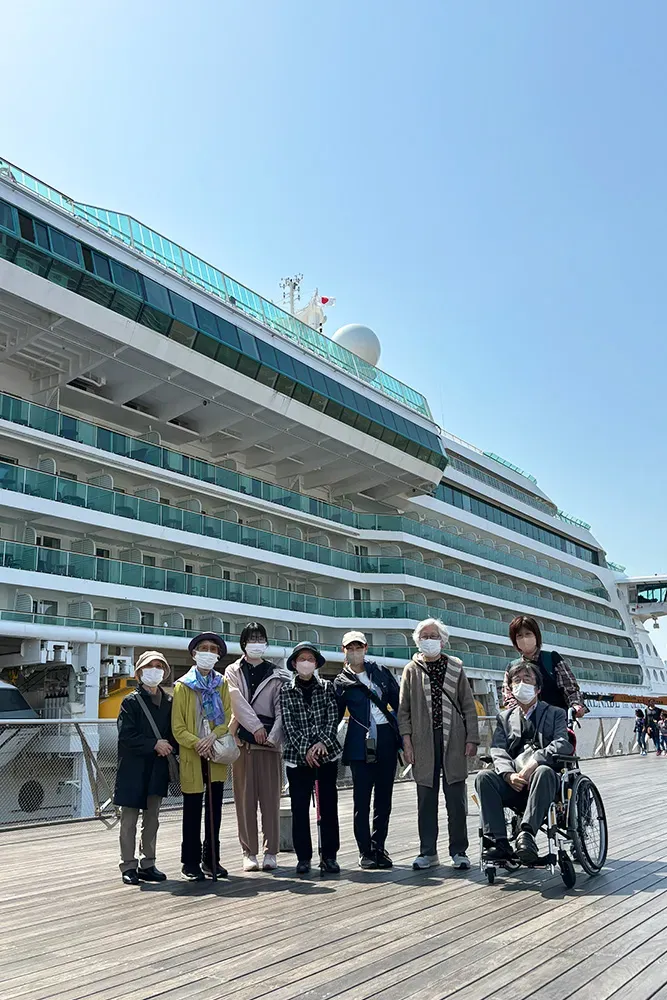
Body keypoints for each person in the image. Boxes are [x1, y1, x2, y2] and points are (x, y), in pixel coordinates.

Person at [398, 618, 479, 872]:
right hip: (423, 740)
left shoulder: (455, 667)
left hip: (453, 738)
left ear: (442, 640)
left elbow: (468, 705)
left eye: (434, 636)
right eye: (424, 636)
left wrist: (472, 738)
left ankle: (459, 851)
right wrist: (407, 741)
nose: (429, 640)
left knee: (456, 798)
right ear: (417, 641)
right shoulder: (411, 669)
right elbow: (403, 710)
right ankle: (428, 852)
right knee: (425, 799)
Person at [476, 661, 573, 863]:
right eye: (517, 681)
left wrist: (536, 761)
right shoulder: (504, 718)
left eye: (527, 680)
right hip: (515, 782)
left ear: (538, 689)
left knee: (543, 771)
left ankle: (526, 835)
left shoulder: (556, 713)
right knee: (484, 777)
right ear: (511, 689)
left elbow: (562, 743)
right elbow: (498, 749)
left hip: (544, 782)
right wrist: (508, 774)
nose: (521, 684)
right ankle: (498, 842)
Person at [334, 630, 401, 870]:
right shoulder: (341, 682)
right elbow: (335, 716)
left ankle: (379, 846)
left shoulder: (381, 672)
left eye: (358, 647)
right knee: (361, 799)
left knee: (384, 797)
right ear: (344, 651)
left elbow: (399, 702)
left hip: (386, 738)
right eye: (350, 648)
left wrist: (406, 737)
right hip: (358, 740)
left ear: (366, 648)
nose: (355, 652)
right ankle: (365, 850)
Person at [226, 622, 289, 872]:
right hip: (242, 743)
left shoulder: (277, 673)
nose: (256, 643)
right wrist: (256, 728)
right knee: (244, 801)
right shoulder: (233, 670)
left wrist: (273, 737)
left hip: (269, 745)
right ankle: (248, 851)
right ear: (243, 643)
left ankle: (271, 851)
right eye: (252, 639)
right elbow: (236, 700)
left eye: (260, 639)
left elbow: (282, 709)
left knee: (271, 801)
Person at [172, 632, 231, 881]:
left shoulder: (222, 683)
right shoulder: (182, 685)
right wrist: (198, 743)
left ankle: (212, 858)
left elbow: (227, 717)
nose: (209, 652)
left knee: (215, 809)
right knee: (192, 809)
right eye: (204, 648)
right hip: (193, 753)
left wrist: (212, 737)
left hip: (215, 752)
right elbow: (178, 727)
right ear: (194, 654)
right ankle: (190, 861)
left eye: (213, 649)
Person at [114, 650, 174, 884]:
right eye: (150, 666)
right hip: (133, 769)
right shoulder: (130, 701)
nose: (155, 670)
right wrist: (154, 744)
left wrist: (168, 746)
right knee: (129, 820)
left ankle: (148, 863)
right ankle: (128, 865)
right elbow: (125, 735)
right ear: (139, 672)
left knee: (152, 819)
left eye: (159, 666)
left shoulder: (169, 702)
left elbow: (173, 732)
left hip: (157, 768)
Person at [281, 642, 341, 875]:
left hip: (326, 755)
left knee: (328, 807)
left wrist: (321, 744)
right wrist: (306, 748)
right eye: (302, 659)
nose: (306, 663)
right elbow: (289, 724)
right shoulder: (286, 690)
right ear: (294, 664)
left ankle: (329, 855)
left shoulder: (327, 687)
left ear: (316, 664)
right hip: (297, 758)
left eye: (310, 659)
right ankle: (303, 857)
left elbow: (332, 718)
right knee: (299, 808)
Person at [503, 615, 588, 718]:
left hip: (557, 719)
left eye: (528, 634)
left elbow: (570, 688)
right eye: (519, 636)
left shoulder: (552, 659)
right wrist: (519, 714)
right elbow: (508, 696)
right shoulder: (512, 667)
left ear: (536, 636)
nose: (524, 639)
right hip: (526, 721)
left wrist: (576, 705)